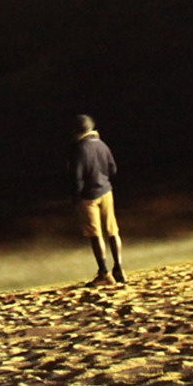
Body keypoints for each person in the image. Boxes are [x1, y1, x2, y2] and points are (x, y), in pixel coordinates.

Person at [70, 114, 126, 285]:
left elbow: (76, 177)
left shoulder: (79, 148)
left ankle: (104, 273)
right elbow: (112, 168)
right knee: (113, 231)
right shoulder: (102, 145)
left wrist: (77, 197)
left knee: (95, 235)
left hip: (89, 196)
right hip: (106, 191)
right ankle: (119, 268)